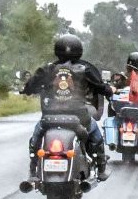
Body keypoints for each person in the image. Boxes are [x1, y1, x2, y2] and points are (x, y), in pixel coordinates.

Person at [22, 33, 113, 179]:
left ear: (57, 50)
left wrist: (26, 90)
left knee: (36, 138)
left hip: (50, 118)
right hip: (79, 117)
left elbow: (31, 86)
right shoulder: (85, 69)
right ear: (79, 50)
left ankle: (33, 169)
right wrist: (109, 91)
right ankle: (101, 166)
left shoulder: (49, 69)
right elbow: (101, 87)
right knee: (95, 134)